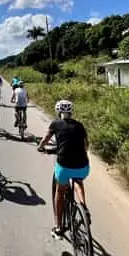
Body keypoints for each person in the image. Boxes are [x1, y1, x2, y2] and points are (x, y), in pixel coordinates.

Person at [37, 100, 90, 239]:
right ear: (71, 112)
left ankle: (59, 227)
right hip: (83, 166)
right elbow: (86, 146)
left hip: (64, 166)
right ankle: (84, 207)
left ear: (58, 112)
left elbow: (45, 139)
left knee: (60, 192)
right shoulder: (79, 125)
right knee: (78, 181)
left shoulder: (55, 124)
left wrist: (40, 147)